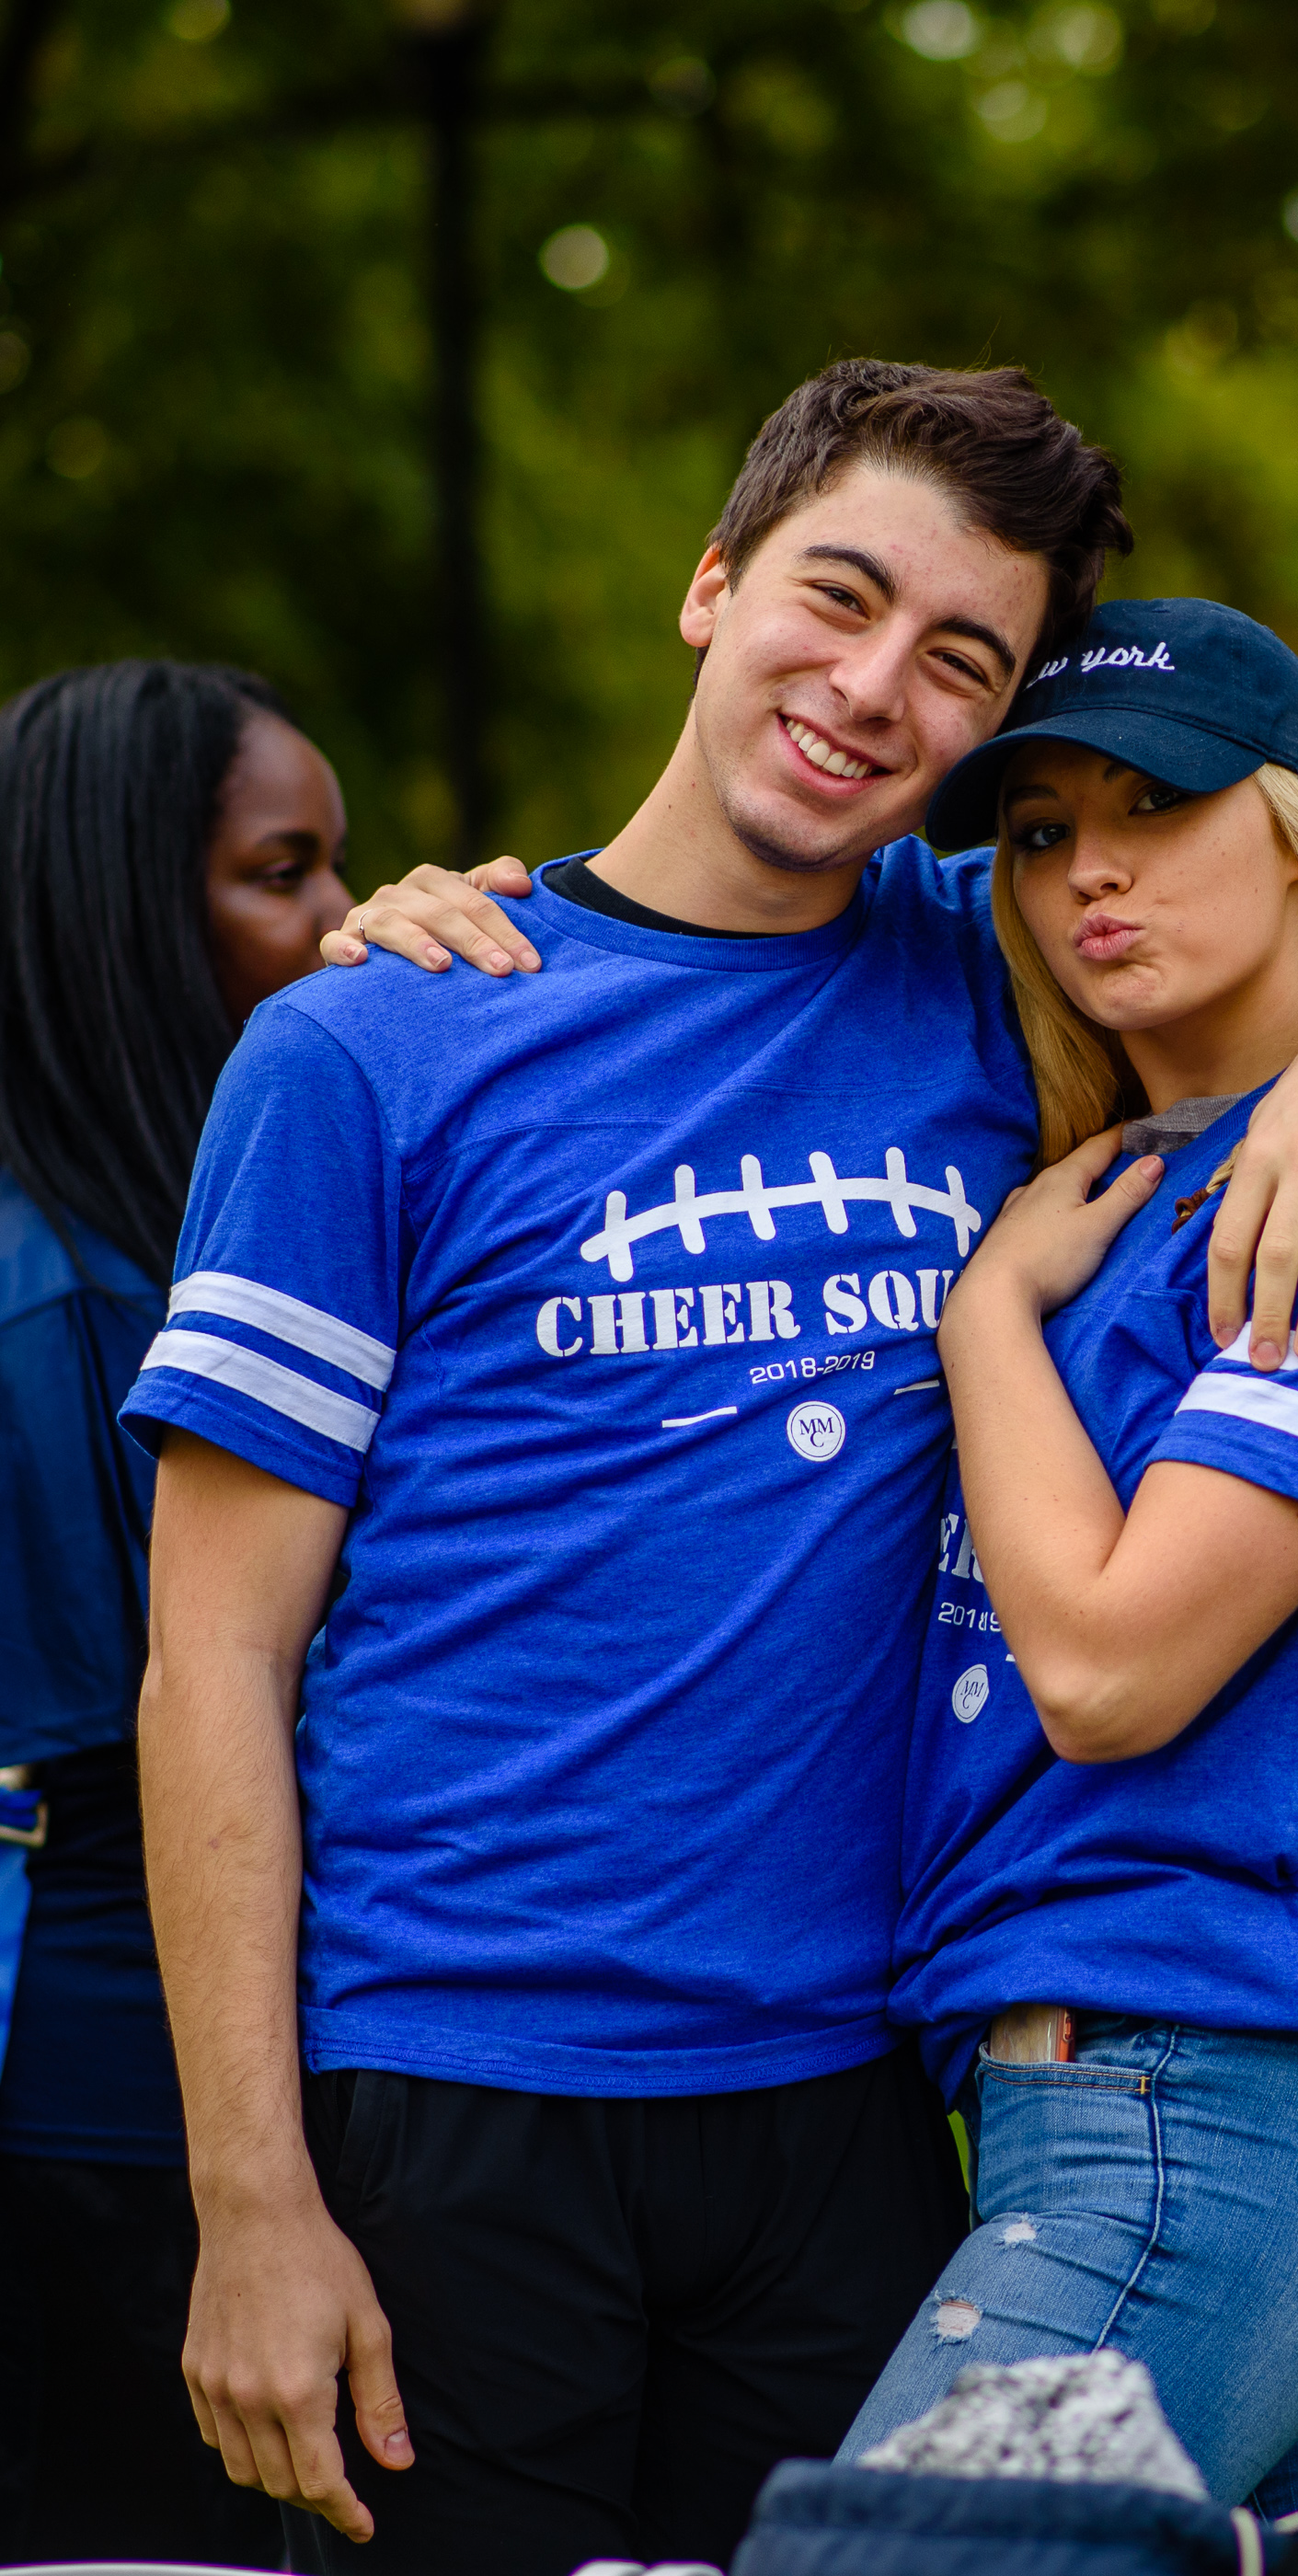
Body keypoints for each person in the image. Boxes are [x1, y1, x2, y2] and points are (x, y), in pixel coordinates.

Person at [121, 362, 1298, 2576]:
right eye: (835, 599)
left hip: (860, 2100)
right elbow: (209, 1656)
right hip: (458, 2086)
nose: (869, 690)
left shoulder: (1002, 962)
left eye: (959, 663)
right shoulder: (379, 1036)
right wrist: (246, 2197)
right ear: (711, 583)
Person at [814, 599, 1298, 2576]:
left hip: (1197, 2099)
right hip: (1104, 2097)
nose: (1090, 868)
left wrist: (984, 1323)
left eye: (1155, 801)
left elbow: (1111, 1669)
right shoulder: (1122, 1182)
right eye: (1038, 831)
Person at [0, 659, 351, 2563]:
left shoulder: (170, 1242)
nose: (339, 925)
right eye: (280, 873)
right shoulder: (76, 1310)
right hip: (116, 2141)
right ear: (128, 903)